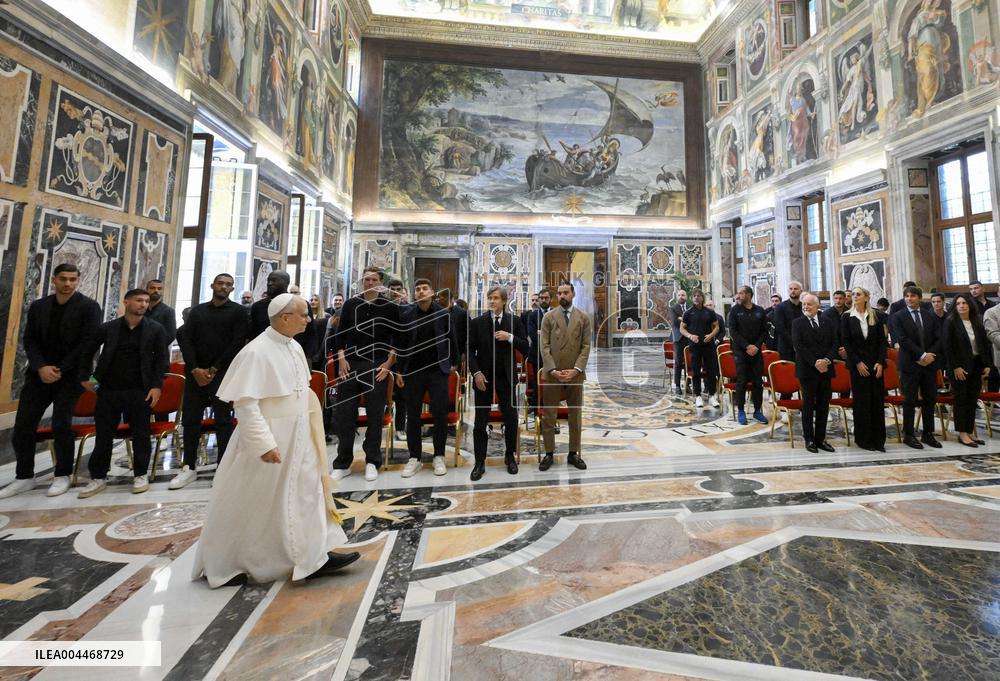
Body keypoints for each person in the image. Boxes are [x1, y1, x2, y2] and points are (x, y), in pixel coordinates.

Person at [191, 293, 359, 588]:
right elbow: (245, 404)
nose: (309, 320)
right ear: (285, 318)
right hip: (271, 439)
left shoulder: (292, 345)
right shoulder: (256, 352)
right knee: (257, 502)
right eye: (303, 315)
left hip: (298, 434)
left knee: (306, 494)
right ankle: (229, 563)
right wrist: (263, 444)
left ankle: (313, 557)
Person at [0, 264, 102, 500]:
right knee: (24, 425)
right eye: (63, 279)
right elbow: (30, 340)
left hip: (70, 376)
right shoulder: (39, 306)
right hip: (39, 374)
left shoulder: (89, 307)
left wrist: (61, 368)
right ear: (54, 280)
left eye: (73, 279)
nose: (68, 284)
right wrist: (41, 366)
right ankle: (24, 476)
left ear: (78, 281)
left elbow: (88, 344)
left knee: (61, 425)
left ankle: (62, 474)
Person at [76, 289, 169, 497]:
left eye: (146, 301)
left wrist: (156, 386)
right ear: (126, 302)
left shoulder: (156, 329)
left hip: (140, 389)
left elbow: (161, 361)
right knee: (104, 434)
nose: (143, 304)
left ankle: (140, 473)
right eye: (138, 300)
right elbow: (86, 351)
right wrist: (85, 377)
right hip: (109, 388)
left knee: (141, 433)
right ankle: (98, 477)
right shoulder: (108, 328)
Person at [174, 273, 248, 489]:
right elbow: (186, 340)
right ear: (212, 285)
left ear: (232, 289)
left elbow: (237, 342)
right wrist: (195, 368)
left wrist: (215, 369)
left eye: (228, 285)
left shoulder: (238, 312)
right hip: (196, 374)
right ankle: (189, 466)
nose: (223, 287)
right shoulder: (197, 311)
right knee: (190, 421)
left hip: (223, 374)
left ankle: (222, 466)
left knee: (223, 421)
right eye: (220, 283)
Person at [331, 267, 399, 482]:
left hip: (377, 364)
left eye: (373, 280)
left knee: (375, 414)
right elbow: (339, 335)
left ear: (381, 283)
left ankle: (372, 461)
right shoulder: (351, 304)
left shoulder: (389, 306)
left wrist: (388, 365)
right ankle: (343, 462)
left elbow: (397, 339)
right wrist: (341, 359)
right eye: (366, 279)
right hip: (350, 364)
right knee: (345, 413)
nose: (369, 283)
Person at [468, 285, 530, 481]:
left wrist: (510, 337)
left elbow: (526, 346)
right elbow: (469, 352)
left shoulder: (514, 321)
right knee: (480, 422)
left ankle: (509, 455)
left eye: (495, 298)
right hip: (483, 379)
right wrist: (476, 372)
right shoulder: (478, 323)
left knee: (511, 419)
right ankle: (479, 461)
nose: (492, 301)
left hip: (506, 378)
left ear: (504, 301)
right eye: (490, 298)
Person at [398, 279, 455, 478]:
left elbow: (452, 341)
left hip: (437, 372)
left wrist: (453, 366)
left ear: (432, 292)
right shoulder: (406, 315)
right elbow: (401, 344)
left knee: (440, 414)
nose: (421, 292)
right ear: (415, 294)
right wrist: (399, 370)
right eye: (418, 289)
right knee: (412, 415)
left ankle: (439, 455)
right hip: (413, 371)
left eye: (424, 289)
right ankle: (415, 457)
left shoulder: (442, 313)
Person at [539, 282, 592, 471]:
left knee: (575, 415)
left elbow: (586, 346)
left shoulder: (583, 318)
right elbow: (544, 345)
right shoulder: (548, 317)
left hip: (574, 375)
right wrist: (552, 369)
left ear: (573, 294)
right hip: (552, 375)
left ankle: (573, 453)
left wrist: (577, 369)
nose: (562, 296)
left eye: (565, 292)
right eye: (559, 293)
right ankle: (549, 453)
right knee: (548, 415)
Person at [889, 285, 942, 449]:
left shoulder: (929, 315)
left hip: (929, 364)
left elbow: (938, 338)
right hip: (910, 363)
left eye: (912, 296)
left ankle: (928, 433)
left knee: (929, 399)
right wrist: (921, 355)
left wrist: (929, 355)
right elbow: (902, 339)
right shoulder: (898, 316)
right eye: (907, 296)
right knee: (910, 400)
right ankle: (909, 434)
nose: (909, 299)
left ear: (919, 298)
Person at [941, 293, 993, 447]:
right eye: (958, 304)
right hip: (959, 367)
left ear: (970, 305)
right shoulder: (950, 322)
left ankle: (970, 432)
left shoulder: (977, 321)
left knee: (972, 400)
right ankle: (962, 433)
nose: (961, 306)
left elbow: (984, 345)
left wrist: (988, 365)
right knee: (961, 400)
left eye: (964, 303)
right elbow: (947, 347)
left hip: (976, 365)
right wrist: (955, 366)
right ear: (955, 307)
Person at [841, 287, 887, 452]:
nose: (854, 297)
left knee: (877, 402)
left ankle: (879, 440)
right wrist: (858, 363)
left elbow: (883, 342)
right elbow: (847, 343)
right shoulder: (847, 317)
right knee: (862, 403)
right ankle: (864, 439)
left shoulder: (876, 315)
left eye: (858, 294)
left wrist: (881, 362)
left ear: (867, 297)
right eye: (853, 294)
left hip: (875, 365)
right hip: (858, 366)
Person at [791, 293, 838, 453]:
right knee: (808, 406)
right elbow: (799, 345)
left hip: (826, 370)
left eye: (809, 304)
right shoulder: (797, 323)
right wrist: (816, 362)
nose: (805, 307)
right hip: (807, 370)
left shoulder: (828, 322)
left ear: (818, 306)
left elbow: (834, 343)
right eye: (804, 304)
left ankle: (821, 438)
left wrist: (826, 360)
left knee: (824, 406)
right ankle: (809, 439)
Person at [727, 286, 769, 426]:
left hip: (756, 352)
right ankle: (741, 411)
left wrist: (756, 346)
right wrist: (747, 346)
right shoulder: (735, 310)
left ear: (749, 295)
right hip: (740, 351)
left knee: (758, 382)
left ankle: (757, 410)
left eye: (741, 293)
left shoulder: (759, 311)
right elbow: (733, 331)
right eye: (738, 293)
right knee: (742, 381)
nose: (738, 295)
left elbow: (764, 331)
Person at [680, 290, 720, 408]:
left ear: (702, 298)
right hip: (695, 346)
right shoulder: (688, 313)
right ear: (692, 298)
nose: (696, 298)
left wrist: (711, 335)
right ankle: (698, 396)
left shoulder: (709, 312)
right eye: (694, 296)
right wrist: (690, 336)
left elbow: (717, 327)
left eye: (698, 296)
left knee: (711, 370)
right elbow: (682, 329)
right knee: (696, 371)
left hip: (709, 345)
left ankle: (712, 395)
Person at [773, 281, 803, 401]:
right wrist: (794, 343)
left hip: (802, 348)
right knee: (787, 378)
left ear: (800, 291)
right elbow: (780, 328)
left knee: (803, 377)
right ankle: (785, 405)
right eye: (790, 288)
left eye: (795, 288)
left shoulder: (803, 306)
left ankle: (803, 405)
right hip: (786, 347)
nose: (793, 291)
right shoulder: (781, 307)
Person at [388, 279, 410, 441]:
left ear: (403, 291)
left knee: (402, 395)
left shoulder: (408, 309)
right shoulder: (383, 308)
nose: (395, 292)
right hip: (384, 356)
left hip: (402, 357)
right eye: (392, 289)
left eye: (398, 289)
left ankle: (400, 427)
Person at [526, 288, 552, 411]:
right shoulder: (532, 315)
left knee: (551, 384)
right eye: (541, 298)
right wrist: (549, 335)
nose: (543, 300)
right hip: (537, 355)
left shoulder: (557, 314)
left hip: (553, 355)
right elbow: (532, 335)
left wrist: (542, 333)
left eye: (546, 298)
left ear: (550, 299)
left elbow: (560, 334)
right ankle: (538, 410)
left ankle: (551, 410)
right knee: (539, 383)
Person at [822, 290, 850, 396]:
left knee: (845, 376)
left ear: (845, 299)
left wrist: (846, 348)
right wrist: (837, 348)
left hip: (847, 350)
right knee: (832, 378)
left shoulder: (850, 312)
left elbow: (851, 333)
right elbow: (827, 335)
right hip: (832, 350)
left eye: (840, 298)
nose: (838, 301)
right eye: (836, 298)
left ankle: (845, 401)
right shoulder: (826, 314)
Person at [249, 270, 290, 339]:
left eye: (274, 280)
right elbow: (253, 333)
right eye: (268, 280)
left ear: (286, 282)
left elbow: (310, 335)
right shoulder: (258, 307)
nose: (269, 283)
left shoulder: (299, 305)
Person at [668, 290, 689, 395]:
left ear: (686, 296)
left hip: (689, 337)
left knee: (688, 362)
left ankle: (688, 385)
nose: (681, 296)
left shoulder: (691, 307)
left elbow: (694, 320)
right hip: (678, 338)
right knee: (678, 362)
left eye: (683, 295)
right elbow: (674, 322)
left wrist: (681, 318)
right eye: (679, 295)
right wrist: (685, 319)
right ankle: (677, 386)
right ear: (676, 297)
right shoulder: (673, 308)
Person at [145, 279, 177, 344]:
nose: (156, 291)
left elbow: (170, 336)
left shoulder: (169, 311)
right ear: (146, 290)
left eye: (159, 289)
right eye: (152, 288)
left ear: (162, 291)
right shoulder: (141, 309)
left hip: (158, 351)